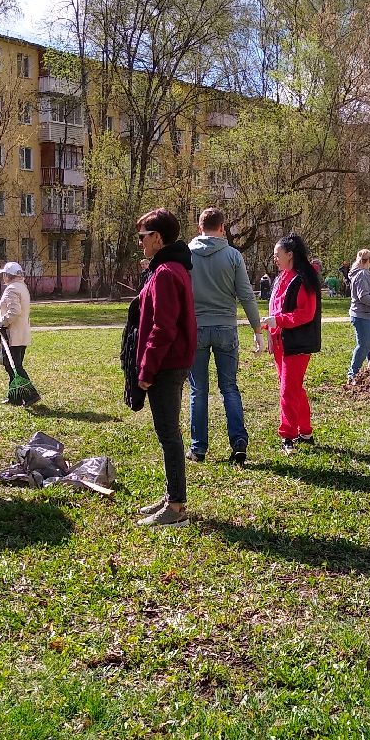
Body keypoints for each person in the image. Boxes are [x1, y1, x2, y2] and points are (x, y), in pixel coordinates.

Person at [131, 209, 197, 525]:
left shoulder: (166, 273)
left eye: (143, 237)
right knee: (167, 433)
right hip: (172, 361)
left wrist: (146, 370)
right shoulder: (170, 268)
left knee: (169, 434)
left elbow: (163, 328)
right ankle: (172, 496)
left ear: (157, 238)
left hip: (167, 365)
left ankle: (176, 508)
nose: (140, 242)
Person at [187, 207, 264, 466]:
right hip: (225, 328)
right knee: (229, 387)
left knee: (198, 390)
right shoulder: (233, 255)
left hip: (196, 328)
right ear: (222, 228)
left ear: (200, 227)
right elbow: (246, 295)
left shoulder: (187, 254)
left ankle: (198, 448)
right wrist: (257, 330)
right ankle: (238, 442)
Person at [262, 233, 323, 452]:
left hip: (297, 343)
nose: (274, 258)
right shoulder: (281, 278)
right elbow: (276, 309)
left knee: (288, 390)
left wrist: (278, 320)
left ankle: (288, 435)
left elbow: (306, 314)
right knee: (293, 388)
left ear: (290, 254)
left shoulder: (303, 279)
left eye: (277, 254)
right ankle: (305, 431)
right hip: (281, 341)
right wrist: (269, 329)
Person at [0, 260, 33, 401]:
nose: (3, 277)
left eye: (4, 274)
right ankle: (14, 398)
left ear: (8, 275)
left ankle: (31, 395)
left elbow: (14, 311)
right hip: (21, 334)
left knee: (14, 367)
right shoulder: (21, 287)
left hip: (13, 334)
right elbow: (10, 306)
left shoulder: (12, 289)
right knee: (12, 366)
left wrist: (1, 323)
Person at [347, 249, 370, 380]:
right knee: (364, 345)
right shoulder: (362, 274)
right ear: (369, 260)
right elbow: (363, 296)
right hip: (362, 315)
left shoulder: (366, 273)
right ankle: (353, 374)